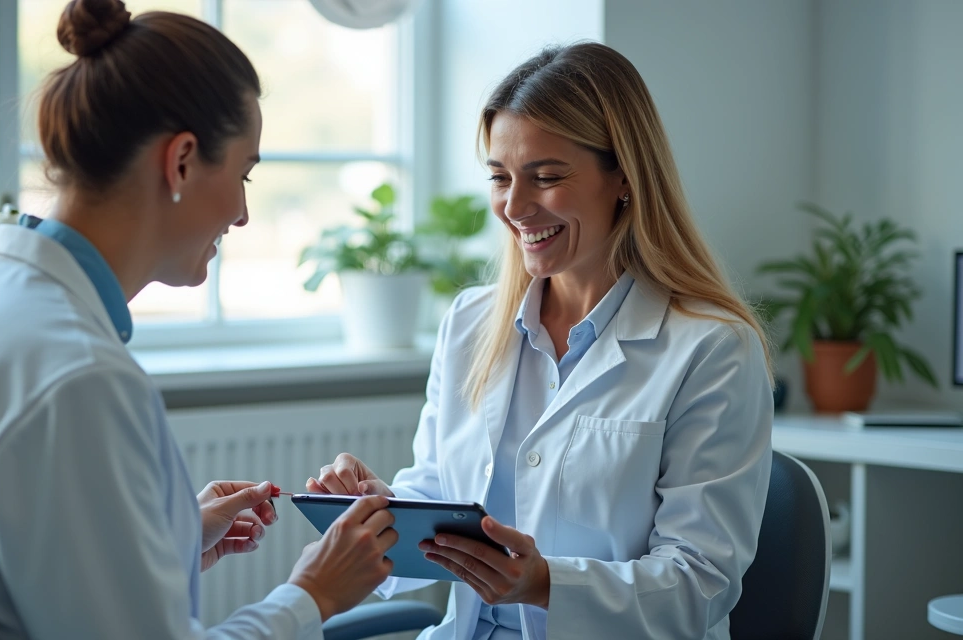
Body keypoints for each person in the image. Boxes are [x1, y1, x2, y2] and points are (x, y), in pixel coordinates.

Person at [0, 2, 397, 639]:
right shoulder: (78, 378)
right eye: (243, 174)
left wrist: (165, 539)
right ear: (182, 161)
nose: (243, 214)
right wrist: (312, 593)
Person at [308, 42, 774, 640]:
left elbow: (700, 582)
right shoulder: (472, 322)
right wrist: (380, 511)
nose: (515, 207)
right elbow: (439, 495)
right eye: (500, 178)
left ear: (625, 177)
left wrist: (543, 583)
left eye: (546, 177)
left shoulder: (711, 349)